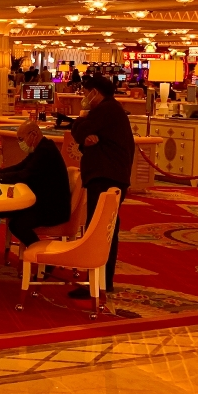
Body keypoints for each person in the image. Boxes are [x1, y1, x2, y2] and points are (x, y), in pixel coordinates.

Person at [69, 74, 135, 297]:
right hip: (110, 176)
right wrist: (86, 136)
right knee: (104, 228)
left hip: (107, 178)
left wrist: (81, 121)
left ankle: (98, 283)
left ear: (95, 93)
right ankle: (100, 281)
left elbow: (78, 130)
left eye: (86, 92)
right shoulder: (111, 110)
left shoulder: (106, 110)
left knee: (100, 229)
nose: (84, 96)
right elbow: (84, 134)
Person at [0, 119, 71, 268]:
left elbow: (24, 175)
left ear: (33, 135)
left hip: (51, 208)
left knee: (18, 224)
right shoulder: (40, 148)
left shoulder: (45, 151)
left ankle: (44, 260)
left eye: (21, 139)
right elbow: (20, 167)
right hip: (40, 201)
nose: (20, 143)